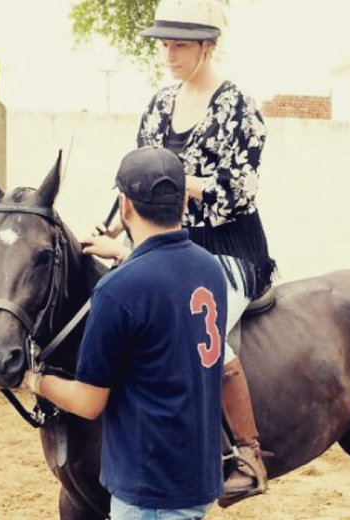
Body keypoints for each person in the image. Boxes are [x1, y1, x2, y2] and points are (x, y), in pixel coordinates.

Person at [90, 0, 274, 503]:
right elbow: (138, 177)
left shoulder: (239, 107)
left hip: (227, 250)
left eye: (180, 45)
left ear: (208, 46)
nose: (168, 54)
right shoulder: (157, 105)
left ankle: (248, 454)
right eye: (165, 44)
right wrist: (113, 228)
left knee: (204, 336)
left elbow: (240, 193)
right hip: (163, 247)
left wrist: (176, 182)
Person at [24, 146, 227, 519]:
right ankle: (244, 448)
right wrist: (122, 255)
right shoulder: (210, 268)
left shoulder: (118, 289)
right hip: (198, 479)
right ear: (183, 204)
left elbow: (88, 402)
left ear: (125, 206)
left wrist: (36, 381)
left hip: (149, 491)